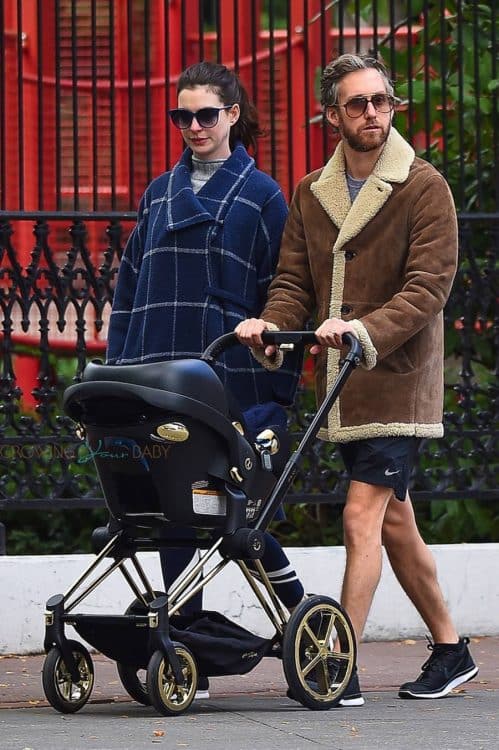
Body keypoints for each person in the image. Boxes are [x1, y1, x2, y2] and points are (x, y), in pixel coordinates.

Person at [235, 53, 478, 706]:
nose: (372, 112)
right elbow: (292, 281)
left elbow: (427, 288)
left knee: (359, 514)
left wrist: (361, 330)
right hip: (341, 385)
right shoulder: (312, 192)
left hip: (394, 378)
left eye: (380, 101)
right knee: (396, 523)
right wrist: (268, 324)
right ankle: (451, 651)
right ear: (330, 115)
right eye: (356, 103)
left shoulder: (423, 186)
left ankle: (335, 664)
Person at [106, 61, 306, 697]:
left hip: (228, 376)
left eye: (206, 115)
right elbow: (130, 287)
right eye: (182, 116)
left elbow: (285, 291)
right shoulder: (158, 193)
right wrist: (116, 370)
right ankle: (180, 638)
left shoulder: (262, 196)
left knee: (236, 518)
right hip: (155, 369)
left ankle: (302, 620)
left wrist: (278, 392)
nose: (193, 127)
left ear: (233, 115)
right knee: (170, 507)